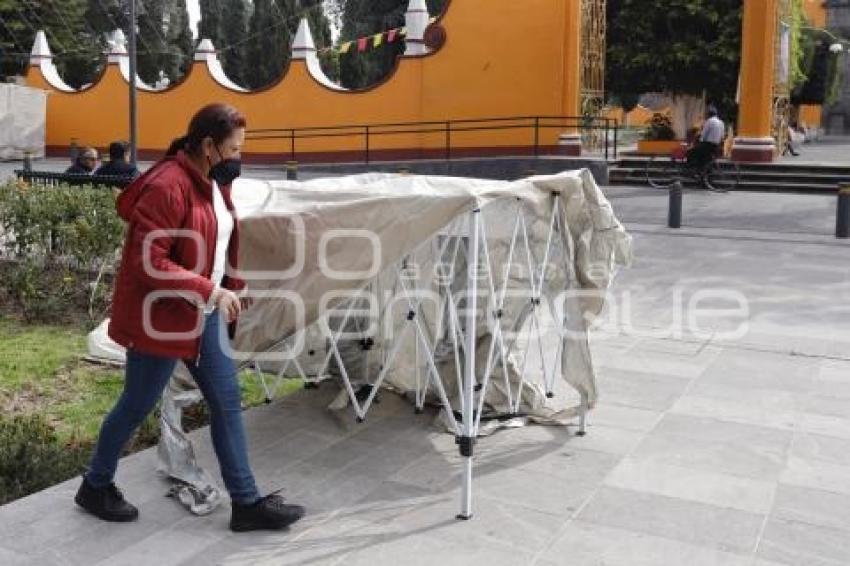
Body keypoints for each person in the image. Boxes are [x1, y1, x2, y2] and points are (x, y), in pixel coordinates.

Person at [74, 103, 305, 532]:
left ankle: (246, 503)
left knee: (227, 402)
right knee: (135, 405)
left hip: (203, 315)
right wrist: (209, 290)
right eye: (233, 148)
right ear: (207, 145)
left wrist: (229, 286)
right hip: (159, 318)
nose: (239, 156)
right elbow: (149, 260)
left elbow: (215, 242)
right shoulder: (168, 185)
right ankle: (95, 485)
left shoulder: (213, 182)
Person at [687, 105, 725, 171]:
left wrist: (697, 141)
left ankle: (692, 169)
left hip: (708, 144)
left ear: (709, 114)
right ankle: (702, 170)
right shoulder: (721, 122)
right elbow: (722, 136)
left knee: (691, 151)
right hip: (716, 146)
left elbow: (703, 135)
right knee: (702, 154)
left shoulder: (709, 121)